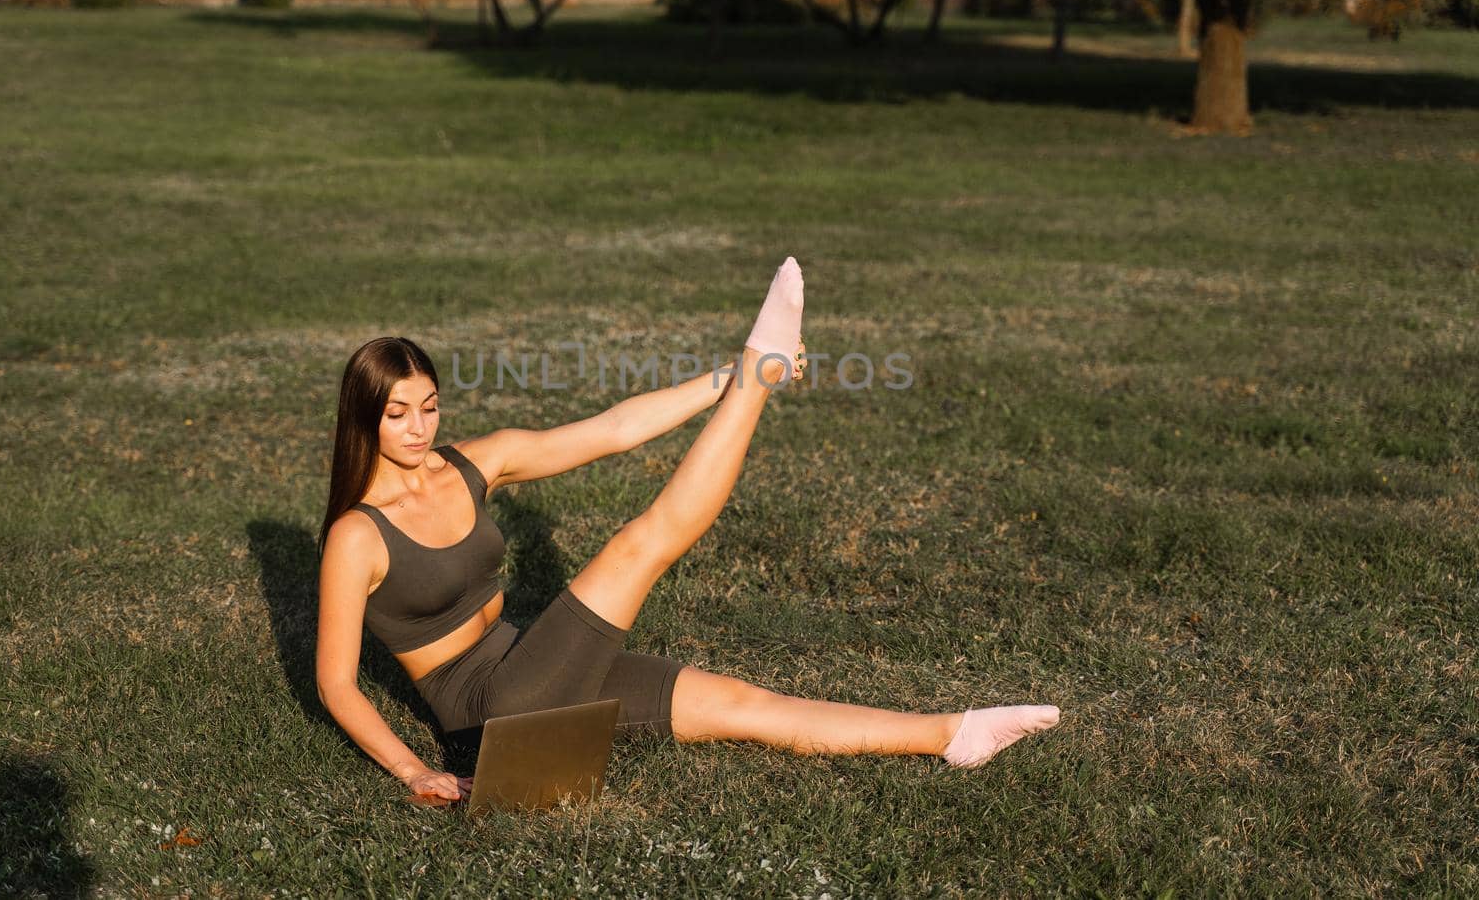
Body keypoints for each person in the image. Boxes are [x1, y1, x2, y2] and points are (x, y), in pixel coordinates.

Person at [315, 258, 1060, 805]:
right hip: (490, 719)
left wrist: (722, 375)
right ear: (365, 416)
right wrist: (414, 768)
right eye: (398, 412)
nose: (420, 427)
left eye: (430, 405)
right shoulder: (358, 536)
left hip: (536, 669)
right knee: (640, 544)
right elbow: (337, 682)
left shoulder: (471, 464)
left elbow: (612, 430)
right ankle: (759, 383)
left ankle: (952, 732)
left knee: (739, 703)